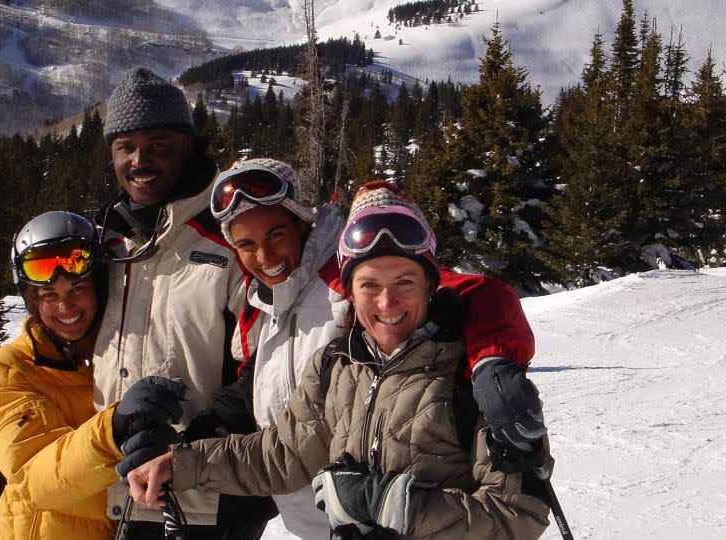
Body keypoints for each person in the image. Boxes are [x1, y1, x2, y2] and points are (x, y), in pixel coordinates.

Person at [127, 186, 553, 539]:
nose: (387, 302)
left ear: (430, 284)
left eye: (404, 281)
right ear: (348, 290)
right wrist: (182, 463)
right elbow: (280, 454)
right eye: (369, 285)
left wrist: (394, 506)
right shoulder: (339, 366)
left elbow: (519, 514)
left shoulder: (472, 375)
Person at [91, 67, 274, 538]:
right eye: (125, 147)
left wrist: (188, 454)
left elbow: (268, 369)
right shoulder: (107, 245)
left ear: (188, 146)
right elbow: (68, 345)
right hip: (123, 499)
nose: (139, 160)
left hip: (213, 502)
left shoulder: (233, 239)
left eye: (157, 145)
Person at [0, 211, 187, 539]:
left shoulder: (119, 358)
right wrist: (113, 431)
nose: (67, 306)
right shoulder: (11, 370)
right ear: (32, 300)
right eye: (49, 295)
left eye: (78, 288)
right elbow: (36, 480)